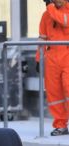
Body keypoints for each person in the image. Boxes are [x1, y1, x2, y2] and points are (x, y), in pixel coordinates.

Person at [36, 0, 69, 136]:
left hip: (67, 56)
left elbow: (64, 21)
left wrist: (50, 7)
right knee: (54, 94)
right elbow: (42, 38)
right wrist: (38, 58)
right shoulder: (46, 15)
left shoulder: (61, 12)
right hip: (52, 59)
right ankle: (60, 125)